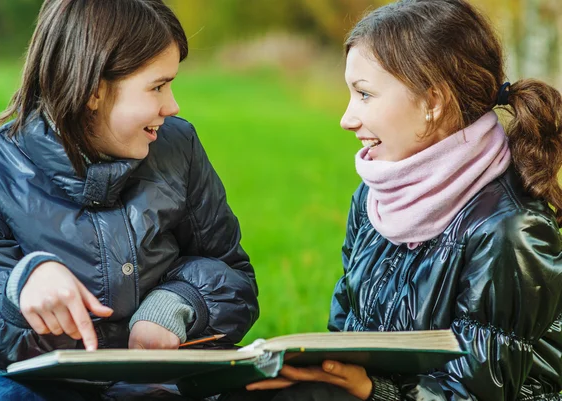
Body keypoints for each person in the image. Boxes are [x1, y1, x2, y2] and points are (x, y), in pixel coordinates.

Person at [240, 0, 562, 400]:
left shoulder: (509, 230)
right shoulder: (372, 199)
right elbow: (346, 334)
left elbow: (477, 392)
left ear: (433, 102)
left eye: (364, 95)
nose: (346, 118)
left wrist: (375, 391)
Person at [0, 0, 259, 400]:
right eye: (157, 86)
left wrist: (179, 302)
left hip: (163, 382)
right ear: (94, 90)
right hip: (43, 387)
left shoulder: (177, 146)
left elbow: (232, 271)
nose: (171, 106)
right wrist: (23, 286)